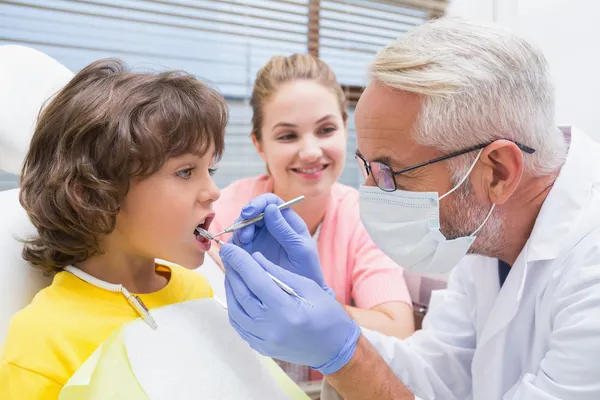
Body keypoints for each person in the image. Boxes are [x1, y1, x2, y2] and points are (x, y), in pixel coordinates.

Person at [218, 17, 600, 400]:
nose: (368, 191)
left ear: (497, 171)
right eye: (365, 166)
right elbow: (436, 373)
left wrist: (342, 356)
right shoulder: (485, 228)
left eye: (388, 171)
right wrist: (326, 314)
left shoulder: (589, 266)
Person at [0, 58, 226, 398]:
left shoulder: (197, 292)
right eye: (186, 171)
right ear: (94, 192)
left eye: (212, 169)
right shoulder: (44, 340)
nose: (213, 192)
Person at [211, 53, 414, 341]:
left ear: (345, 129)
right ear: (259, 144)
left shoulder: (362, 217)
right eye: (287, 136)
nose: (310, 152)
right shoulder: (224, 212)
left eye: (326, 130)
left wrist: (312, 307)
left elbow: (397, 329)